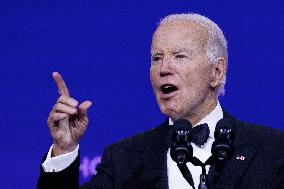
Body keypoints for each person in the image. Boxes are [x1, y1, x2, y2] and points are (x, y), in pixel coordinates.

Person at [37, 13, 284, 189]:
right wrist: (64, 150)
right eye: (156, 58)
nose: (164, 69)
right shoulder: (124, 158)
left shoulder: (272, 150)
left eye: (179, 56)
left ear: (216, 72)